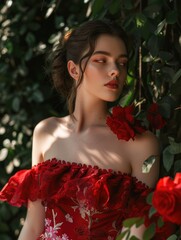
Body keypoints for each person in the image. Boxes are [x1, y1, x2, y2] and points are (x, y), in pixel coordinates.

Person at [0, 19, 174, 240]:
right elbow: (33, 226)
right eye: (101, 60)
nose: (115, 71)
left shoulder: (140, 143)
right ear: (73, 69)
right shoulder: (45, 132)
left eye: (121, 63)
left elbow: (135, 235)